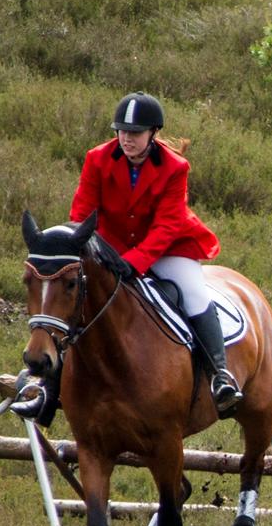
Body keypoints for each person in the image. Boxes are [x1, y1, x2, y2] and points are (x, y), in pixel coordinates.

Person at [70, 91, 243, 412]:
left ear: (153, 134)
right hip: (112, 247)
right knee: (71, 294)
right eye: (121, 131)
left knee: (193, 292)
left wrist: (133, 262)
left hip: (168, 248)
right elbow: (82, 213)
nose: (126, 139)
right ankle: (45, 384)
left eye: (134, 133)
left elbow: (167, 226)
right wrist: (90, 251)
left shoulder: (176, 167)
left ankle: (220, 374)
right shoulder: (97, 158)